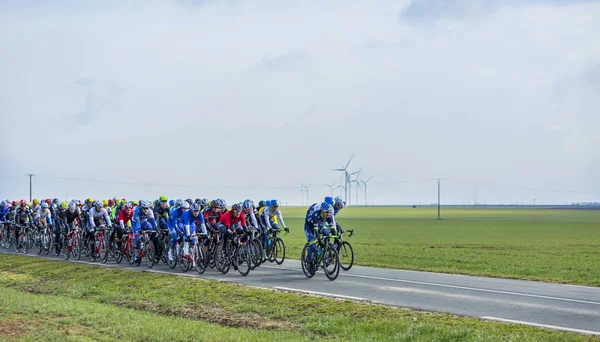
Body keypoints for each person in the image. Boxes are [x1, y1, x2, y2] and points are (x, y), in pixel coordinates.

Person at [304, 202, 335, 266]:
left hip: (319, 224)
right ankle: (310, 261)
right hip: (309, 227)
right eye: (326, 212)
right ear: (322, 211)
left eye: (329, 212)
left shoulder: (330, 215)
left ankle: (322, 252)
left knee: (326, 234)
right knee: (313, 245)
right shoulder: (316, 214)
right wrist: (319, 238)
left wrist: (334, 234)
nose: (328, 214)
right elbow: (315, 230)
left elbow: (332, 227)